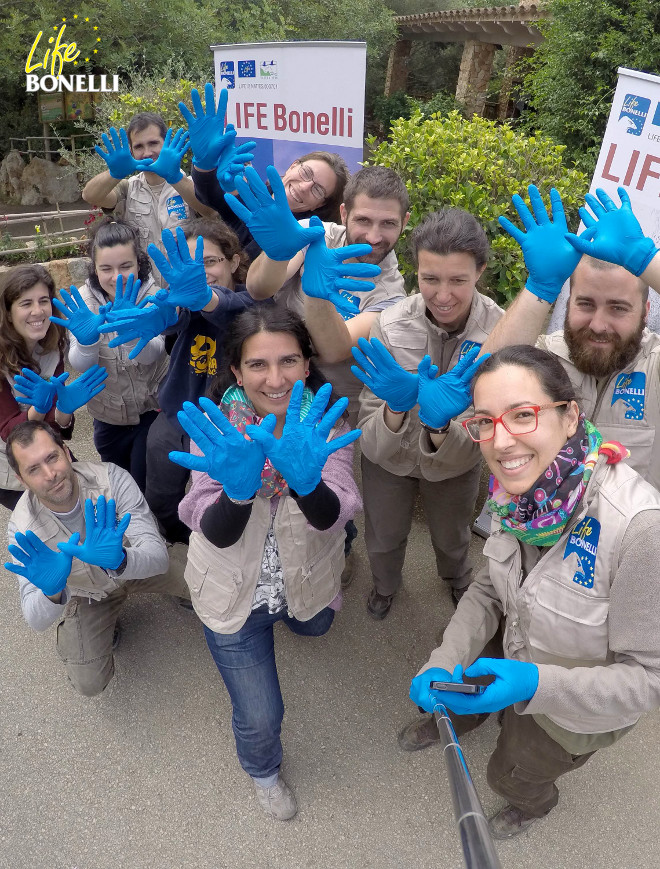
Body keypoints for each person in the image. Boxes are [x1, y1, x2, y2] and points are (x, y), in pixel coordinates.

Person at [408, 345, 660, 839]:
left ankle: (532, 803)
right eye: (485, 421)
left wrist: (534, 686)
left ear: (569, 417)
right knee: (466, 698)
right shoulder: (516, 498)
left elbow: (649, 680)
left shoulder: (639, 531)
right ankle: (458, 718)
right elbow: (488, 586)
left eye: (523, 415)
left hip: (570, 712)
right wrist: (447, 657)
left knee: (512, 771)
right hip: (520, 644)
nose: (501, 442)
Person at [173, 307, 362, 820]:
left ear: (306, 365)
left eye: (289, 362)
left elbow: (333, 516)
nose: (274, 379)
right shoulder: (216, 431)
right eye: (257, 365)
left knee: (317, 623)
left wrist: (306, 481)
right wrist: (236, 492)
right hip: (237, 597)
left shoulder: (326, 423)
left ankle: (306, 613)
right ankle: (263, 772)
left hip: (306, 580)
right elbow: (211, 529)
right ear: (235, 372)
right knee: (260, 715)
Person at [352, 209, 503, 622]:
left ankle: (457, 578)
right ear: (414, 270)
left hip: (455, 462)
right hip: (389, 458)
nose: (443, 294)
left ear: (480, 271)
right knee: (382, 536)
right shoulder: (390, 323)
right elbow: (367, 424)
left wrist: (439, 426)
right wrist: (395, 410)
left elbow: (490, 425)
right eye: (430, 278)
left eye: (458, 280)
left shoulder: (499, 333)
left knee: (453, 536)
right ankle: (384, 586)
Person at [104, 220, 273, 545]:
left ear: (235, 262)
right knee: (161, 496)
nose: (200, 273)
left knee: (221, 499)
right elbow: (175, 314)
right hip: (174, 419)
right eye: (191, 265)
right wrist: (162, 315)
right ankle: (180, 546)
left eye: (209, 262)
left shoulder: (253, 301)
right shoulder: (185, 302)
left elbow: (234, 309)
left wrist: (206, 300)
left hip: (229, 428)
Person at [483, 184, 660, 489]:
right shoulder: (544, 358)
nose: (598, 324)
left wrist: (648, 260)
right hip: (534, 535)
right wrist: (539, 288)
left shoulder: (655, 368)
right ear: (568, 301)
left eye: (618, 308)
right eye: (585, 304)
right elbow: (485, 378)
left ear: (645, 312)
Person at [4, 421, 189, 697]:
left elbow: (157, 557)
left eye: (51, 457)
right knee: (88, 681)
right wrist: (52, 593)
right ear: (21, 479)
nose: (50, 474)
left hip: (134, 564)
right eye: (33, 469)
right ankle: (101, 626)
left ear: (66, 452)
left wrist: (121, 560)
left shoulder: (111, 479)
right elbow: (35, 619)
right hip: (89, 594)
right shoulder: (22, 528)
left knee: (211, 584)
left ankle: (185, 591)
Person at [52, 219, 168, 492]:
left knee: (143, 482)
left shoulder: (154, 295)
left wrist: (133, 331)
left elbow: (154, 353)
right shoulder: (83, 301)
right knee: (117, 483)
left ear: (138, 263)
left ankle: (155, 530)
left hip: (150, 411)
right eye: (106, 268)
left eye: (125, 266)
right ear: (94, 267)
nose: (116, 276)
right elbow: (81, 363)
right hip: (107, 416)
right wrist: (88, 341)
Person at [180, 83, 350, 260]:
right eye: (306, 173)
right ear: (293, 166)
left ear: (320, 205)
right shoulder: (256, 195)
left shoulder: (307, 234)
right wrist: (205, 165)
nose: (305, 186)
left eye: (318, 190)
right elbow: (213, 199)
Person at [0, 265, 105, 510]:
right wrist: (39, 409)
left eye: (43, 301)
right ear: (7, 313)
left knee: (88, 501)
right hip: (7, 462)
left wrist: (64, 410)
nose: (38, 311)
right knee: (49, 521)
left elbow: (56, 425)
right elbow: (8, 431)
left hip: (42, 441)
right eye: (26, 303)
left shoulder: (53, 343)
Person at [82, 112, 215, 285]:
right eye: (138, 147)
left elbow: (210, 212)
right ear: (131, 151)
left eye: (153, 143)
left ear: (166, 142)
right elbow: (90, 195)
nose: (147, 152)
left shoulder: (187, 184)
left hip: (187, 289)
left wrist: (174, 177)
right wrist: (114, 173)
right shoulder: (128, 188)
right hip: (145, 293)